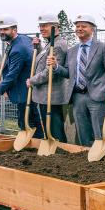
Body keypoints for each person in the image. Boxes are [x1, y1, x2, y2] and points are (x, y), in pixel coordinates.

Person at [48, 14, 105, 147]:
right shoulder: (72, 51)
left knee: (100, 132)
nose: (79, 28)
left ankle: (103, 159)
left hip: (97, 96)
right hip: (78, 97)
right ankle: (87, 158)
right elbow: (68, 73)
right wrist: (56, 66)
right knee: (83, 132)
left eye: (83, 26)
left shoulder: (102, 48)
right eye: (77, 26)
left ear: (92, 29)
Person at [0, 14, 42, 137]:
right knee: (31, 118)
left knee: (27, 120)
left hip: (23, 89)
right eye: (1, 29)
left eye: (6, 29)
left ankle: (35, 143)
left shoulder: (17, 49)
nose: (2, 32)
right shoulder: (23, 39)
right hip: (27, 89)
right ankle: (35, 140)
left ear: (14, 30)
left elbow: (12, 75)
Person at [27, 12, 71, 142]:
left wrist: (32, 81)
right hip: (45, 95)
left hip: (52, 95)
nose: (41, 29)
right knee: (49, 127)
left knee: (55, 129)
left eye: (45, 26)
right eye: (40, 26)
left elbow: (49, 72)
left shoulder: (58, 45)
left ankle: (61, 152)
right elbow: (43, 60)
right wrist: (38, 47)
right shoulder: (50, 43)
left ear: (55, 26)